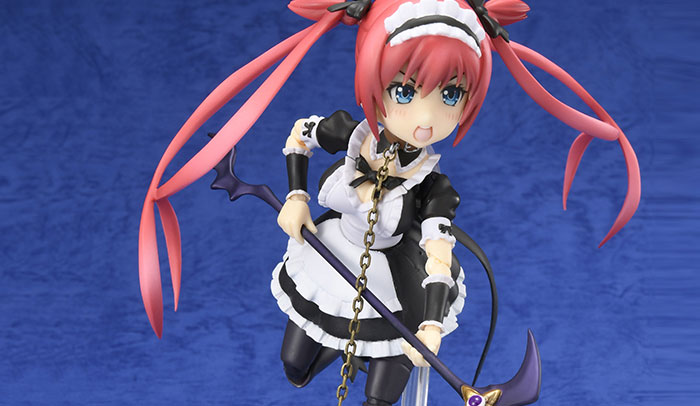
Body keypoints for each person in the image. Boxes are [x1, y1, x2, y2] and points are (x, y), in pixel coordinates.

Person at [138, 0, 640, 405]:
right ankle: (351, 354)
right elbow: (299, 136)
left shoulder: (434, 189)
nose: (425, 119)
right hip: (331, 256)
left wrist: (431, 326)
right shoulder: (348, 135)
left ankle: (379, 358)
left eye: (450, 96)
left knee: (381, 398)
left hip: (394, 285)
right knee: (294, 369)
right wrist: (295, 196)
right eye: (405, 90)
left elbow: (438, 257)